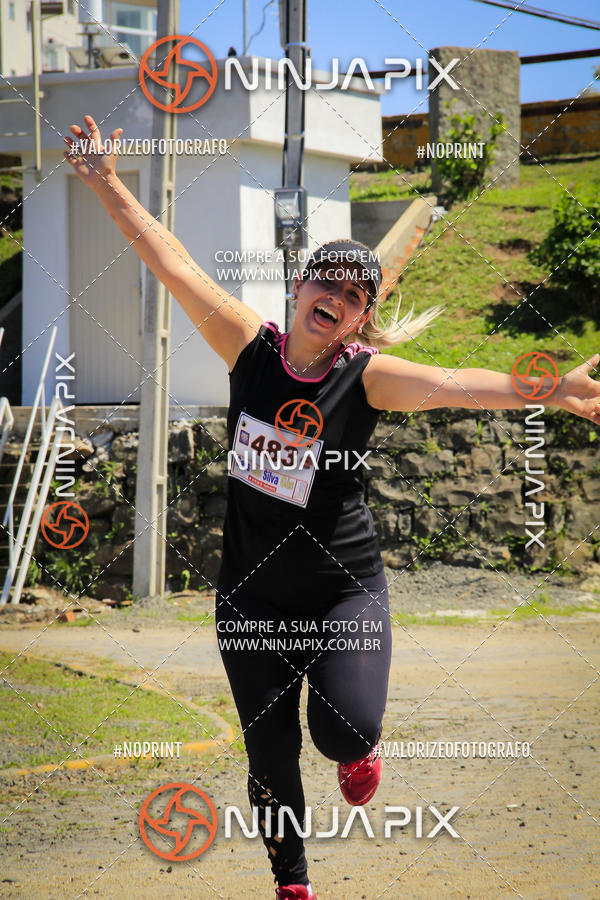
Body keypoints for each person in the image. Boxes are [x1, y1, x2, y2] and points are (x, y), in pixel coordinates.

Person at [64, 115, 600, 899]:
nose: (339, 298)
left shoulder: (368, 376)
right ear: (299, 286)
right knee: (270, 757)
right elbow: (169, 261)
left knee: (341, 731)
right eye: (328, 283)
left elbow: (461, 384)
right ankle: (293, 885)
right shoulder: (248, 347)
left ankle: (357, 751)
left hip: (343, 592)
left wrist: (554, 390)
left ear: (359, 319)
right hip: (249, 598)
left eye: (356, 296)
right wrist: (108, 181)